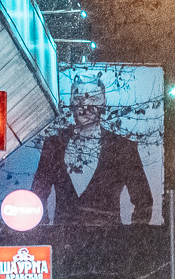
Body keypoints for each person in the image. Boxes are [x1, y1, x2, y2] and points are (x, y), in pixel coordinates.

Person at [26, 74, 156, 229]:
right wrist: (46, 236)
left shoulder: (122, 148)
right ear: (71, 102)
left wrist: (126, 243)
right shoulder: (54, 145)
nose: (85, 107)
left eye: (93, 99)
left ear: (103, 103)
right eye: (79, 99)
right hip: (64, 242)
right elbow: (38, 196)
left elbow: (144, 201)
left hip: (106, 243)